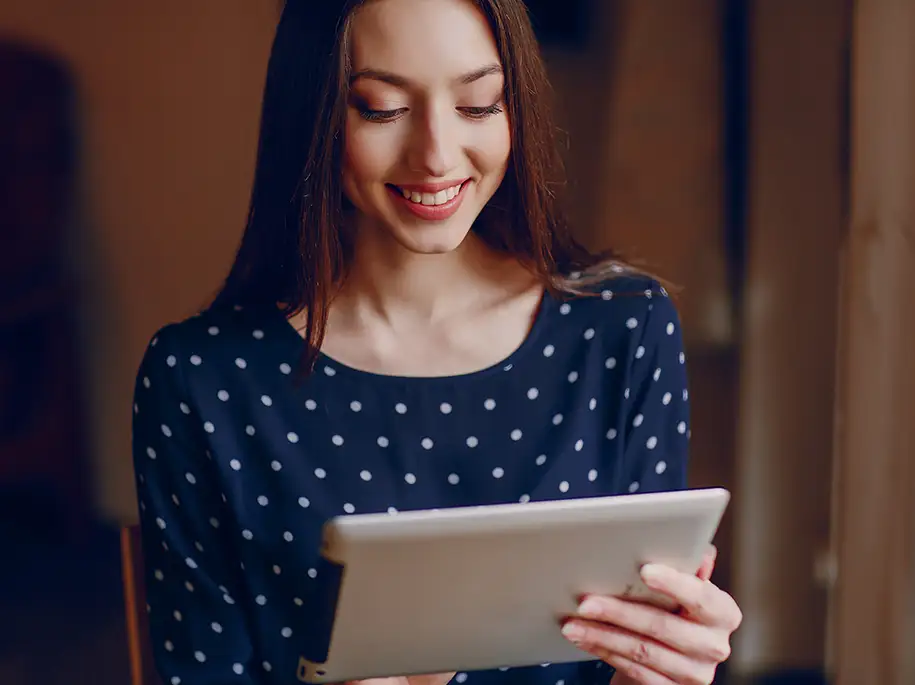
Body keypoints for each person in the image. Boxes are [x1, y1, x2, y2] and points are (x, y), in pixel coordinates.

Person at [130, 0, 743, 683]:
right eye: (382, 108)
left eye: (478, 104)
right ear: (315, 112)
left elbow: (637, 634)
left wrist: (664, 668)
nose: (435, 155)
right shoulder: (202, 379)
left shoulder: (620, 330)